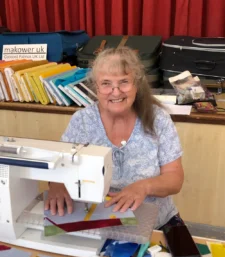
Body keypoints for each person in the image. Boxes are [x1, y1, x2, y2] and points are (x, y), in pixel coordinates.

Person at [45, 46, 184, 229]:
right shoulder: (82, 121)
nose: (116, 92)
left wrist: (143, 187)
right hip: (98, 222)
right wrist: (56, 185)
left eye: (124, 82)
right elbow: (58, 166)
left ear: (137, 84)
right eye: (106, 83)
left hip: (156, 223)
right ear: (96, 86)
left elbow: (174, 179)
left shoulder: (158, 119)